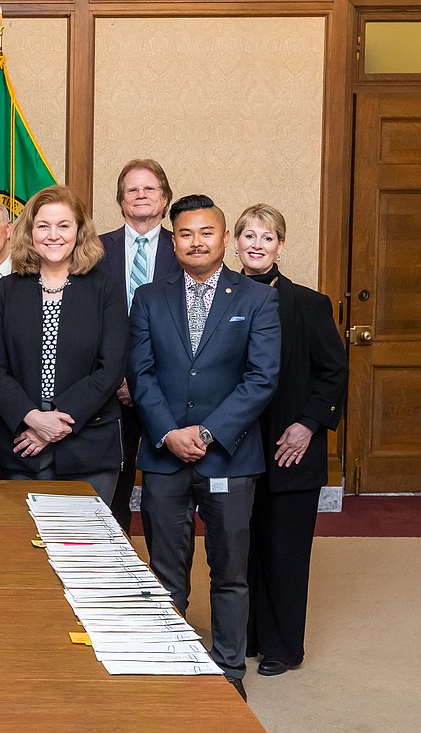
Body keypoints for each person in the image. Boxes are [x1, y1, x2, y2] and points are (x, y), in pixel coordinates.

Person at [128, 193, 281, 699]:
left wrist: (209, 432)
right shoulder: (150, 297)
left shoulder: (257, 298)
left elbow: (262, 379)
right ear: (174, 241)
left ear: (224, 239)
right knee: (165, 572)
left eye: (206, 232)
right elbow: (141, 372)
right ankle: (171, 663)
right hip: (164, 454)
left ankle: (228, 671)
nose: (196, 241)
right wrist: (169, 432)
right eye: (186, 234)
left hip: (230, 458)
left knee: (229, 570)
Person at [233, 204, 347, 678]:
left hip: (290, 443)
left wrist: (307, 424)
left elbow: (334, 372)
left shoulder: (308, 304)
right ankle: (247, 637)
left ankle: (282, 647)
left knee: (284, 550)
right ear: (234, 243)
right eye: (249, 236)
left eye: (268, 237)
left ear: (281, 245)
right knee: (240, 548)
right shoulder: (220, 299)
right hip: (236, 445)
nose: (257, 244)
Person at [0, 185, 126, 504]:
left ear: (79, 231)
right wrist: (32, 418)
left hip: (89, 448)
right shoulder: (8, 289)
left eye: (63, 225)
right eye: (43, 226)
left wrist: (58, 419)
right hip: (21, 446)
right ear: (29, 232)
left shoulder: (106, 288)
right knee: (21, 551)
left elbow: (111, 367)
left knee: (84, 551)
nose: (53, 235)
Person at [96, 159, 183, 532]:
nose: (141, 195)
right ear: (120, 201)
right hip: (108, 389)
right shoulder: (95, 250)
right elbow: (88, 324)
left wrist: (145, 381)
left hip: (168, 386)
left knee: (166, 489)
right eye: (132, 189)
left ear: (164, 200)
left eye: (150, 189)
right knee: (113, 484)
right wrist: (116, 377)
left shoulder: (185, 248)